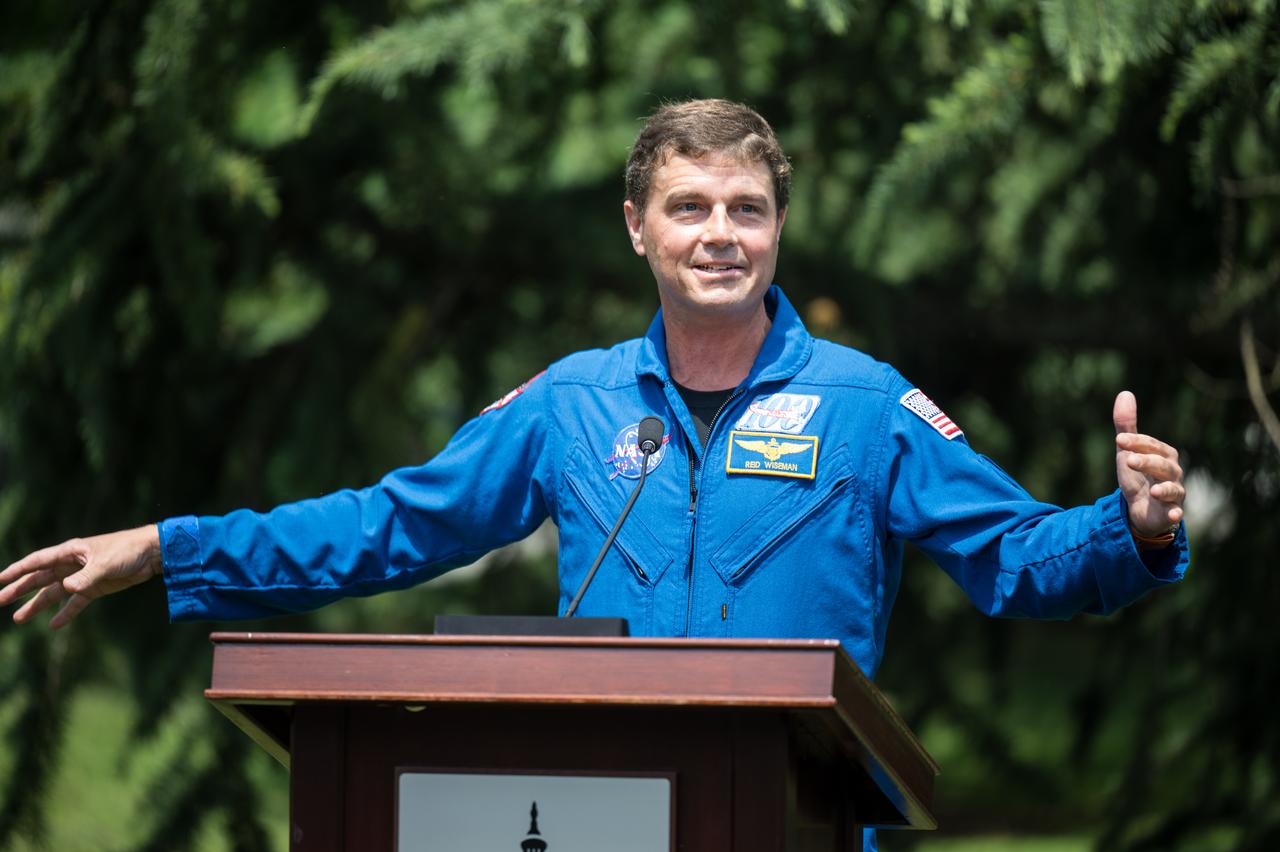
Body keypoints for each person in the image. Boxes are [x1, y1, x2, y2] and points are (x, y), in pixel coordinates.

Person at [1, 98, 1188, 692]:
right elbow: (389, 527)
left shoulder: (866, 403)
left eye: (746, 209)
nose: (719, 235)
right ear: (636, 228)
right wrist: (166, 547)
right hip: (597, 797)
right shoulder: (567, 403)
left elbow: (1016, 559)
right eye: (689, 207)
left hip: (808, 806)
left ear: (778, 227)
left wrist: (1126, 529)